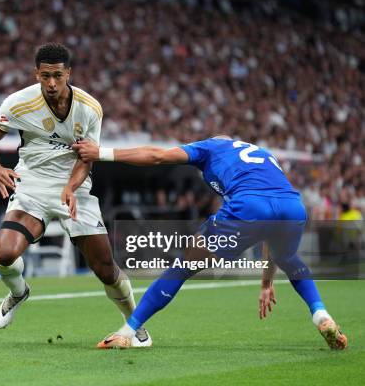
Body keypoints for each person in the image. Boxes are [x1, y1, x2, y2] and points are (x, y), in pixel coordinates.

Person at [72, 136, 347, 350]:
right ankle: (321, 316)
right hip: (292, 206)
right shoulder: (262, 154)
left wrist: (102, 153)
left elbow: (156, 156)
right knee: (289, 258)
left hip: (248, 206)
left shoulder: (209, 148)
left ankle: (128, 332)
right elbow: (270, 225)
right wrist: (266, 282)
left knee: (182, 266)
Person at [0, 43, 150, 346]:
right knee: (4, 253)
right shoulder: (17, 104)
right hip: (31, 184)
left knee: (105, 268)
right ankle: (19, 292)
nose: (52, 84)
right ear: (37, 74)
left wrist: (71, 188)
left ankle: (135, 325)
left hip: (75, 188)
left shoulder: (90, 108)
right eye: (45, 76)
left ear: (69, 73)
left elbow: (87, 158)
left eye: (58, 75)